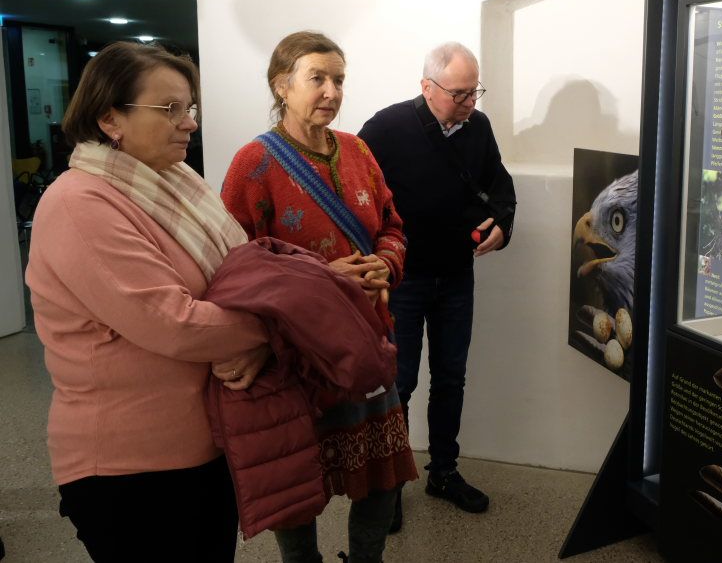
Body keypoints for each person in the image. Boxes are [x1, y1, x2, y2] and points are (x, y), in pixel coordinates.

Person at [25, 42, 270, 562]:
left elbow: (242, 278)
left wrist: (258, 327)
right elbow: (175, 323)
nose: (189, 123)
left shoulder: (175, 183)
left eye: (190, 107)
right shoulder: (78, 203)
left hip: (206, 442)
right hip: (130, 466)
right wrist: (277, 324)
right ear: (109, 118)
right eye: (169, 109)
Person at [221, 31, 417, 563]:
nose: (332, 91)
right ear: (281, 86)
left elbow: (393, 225)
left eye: (339, 80)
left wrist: (385, 262)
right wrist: (325, 280)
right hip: (297, 356)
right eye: (317, 79)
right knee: (297, 486)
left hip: (365, 343)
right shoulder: (252, 164)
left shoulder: (358, 150)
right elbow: (236, 270)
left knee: (382, 482)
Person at [358, 42, 516, 528]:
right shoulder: (385, 128)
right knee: (399, 383)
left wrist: (503, 224)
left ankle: (443, 471)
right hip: (403, 279)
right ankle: (391, 486)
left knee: (450, 378)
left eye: (474, 92)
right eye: (459, 93)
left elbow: (500, 186)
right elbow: (357, 196)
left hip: (456, 275)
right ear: (427, 87)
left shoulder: (479, 127)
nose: (469, 102)